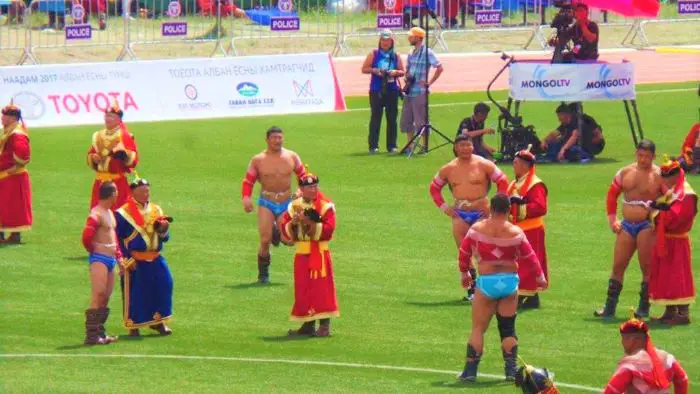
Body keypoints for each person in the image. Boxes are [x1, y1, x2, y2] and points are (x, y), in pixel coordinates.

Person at [457, 194, 547, 382]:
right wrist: (540, 278)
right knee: (508, 329)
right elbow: (530, 257)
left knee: (478, 329)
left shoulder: (477, 229)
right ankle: (510, 370)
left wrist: (464, 274)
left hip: (487, 282)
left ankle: (470, 372)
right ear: (507, 210)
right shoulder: (515, 232)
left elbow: (464, 252)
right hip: (509, 283)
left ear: (491, 208)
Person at [431, 135, 509, 301]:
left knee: (483, 250)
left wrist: (496, 205)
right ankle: (473, 289)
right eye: (462, 145)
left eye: (468, 145)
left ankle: (493, 286)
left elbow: (503, 181)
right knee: (464, 253)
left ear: (473, 146)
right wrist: (445, 208)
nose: (465, 148)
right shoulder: (449, 168)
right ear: (456, 148)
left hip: (481, 212)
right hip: (460, 213)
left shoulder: (483, 163)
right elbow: (434, 188)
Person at [595, 140, 665, 319]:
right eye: (640, 156)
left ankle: (644, 307)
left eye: (647, 157)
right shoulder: (625, 172)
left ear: (653, 157)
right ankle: (609, 308)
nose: (643, 160)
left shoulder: (659, 175)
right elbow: (612, 195)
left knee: (646, 267)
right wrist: (612, 219)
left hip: (647, 226)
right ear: (636, 154)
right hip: (626, 225)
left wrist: (657, 213)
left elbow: (669, 199)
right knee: (618, 265)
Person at [241, 126, 306, 284]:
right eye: (274, 138)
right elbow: (248, 180)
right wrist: (246, 198)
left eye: (280, 137)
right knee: (265, 240)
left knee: (290, 240)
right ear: (267, 140)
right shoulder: (258, 160)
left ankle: (278, 231)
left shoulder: (292, 156)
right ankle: (263, 275)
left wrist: (299, 191)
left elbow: (303, 176)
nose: (278, 140)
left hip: (287, 201)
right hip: (267, 202)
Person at [278, 169, 339, 337]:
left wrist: (310, 225)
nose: (313, 190)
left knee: (322, 290)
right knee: (303, 289)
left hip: (319, 253)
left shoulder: (325, 205)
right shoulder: (295, 205)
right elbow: (285, 226)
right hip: (301, 255)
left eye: (315, 186)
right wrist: (294, 223)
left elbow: (328, 230)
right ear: (302, 189)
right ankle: (308, 324)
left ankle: (324, 326)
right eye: (309, 187)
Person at [115, 178, 174, 337]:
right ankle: (134, 326)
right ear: (133, 192)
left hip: (155, 257)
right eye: (142, 191)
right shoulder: (122, 213)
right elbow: (116, 238)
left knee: (164, 285)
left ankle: (158, 322)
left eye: (147, 190)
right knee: (136, 293)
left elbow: (165, 237)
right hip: (135, 259)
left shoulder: (157, 210)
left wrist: (163, 231)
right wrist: (125, 259)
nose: (145, 194)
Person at [648, 156, 697, 325]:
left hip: (677, 241)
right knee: (667, 275)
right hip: (667, 239)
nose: (665, 181)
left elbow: (677, 217)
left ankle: (683, 313)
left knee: (679, 275)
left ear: (675, 176)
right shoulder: (675, 191)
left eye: (667, 178)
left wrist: (658, 212)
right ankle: (670, 311)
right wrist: (659, 207)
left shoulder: (687, 194)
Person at [507, 146, 548, 310]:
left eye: (515, 163)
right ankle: (530, 297)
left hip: (531, 230)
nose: (513, 166)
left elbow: (540, 207)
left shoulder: (535, 184)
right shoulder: (516, 182)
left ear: (524, 166)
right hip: (516, 228)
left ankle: (525, 294)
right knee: (519, 261)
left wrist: (520, 206)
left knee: (528, 262)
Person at [604, 315, 688, 394]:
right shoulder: (668, 358)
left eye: (624, 338)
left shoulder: (630, 366)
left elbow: (611, 391)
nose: (622, 342)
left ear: (633, 340)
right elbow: (682, 379)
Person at [81, 181, 120, 345]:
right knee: (98, 294)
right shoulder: (96, 213)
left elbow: (114, 238)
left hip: (110, 259)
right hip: (99, 258)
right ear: (111, 195)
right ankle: (91, 336)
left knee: (106, 296)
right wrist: (94, 249)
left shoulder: (109, 213)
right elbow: (86, 237)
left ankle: (100, 333)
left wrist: (119, 257)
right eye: (116, 192)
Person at [87, 101, 139, 210]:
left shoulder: (124, 136)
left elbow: (133, 159)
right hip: (100, 182)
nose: (107, 118)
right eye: (106, 116)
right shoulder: (98, 136)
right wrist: (93, 158)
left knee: (118, 212)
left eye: (111, 116)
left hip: (117, 182)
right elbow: (91, 153)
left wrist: (124, 155)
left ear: (118, 119)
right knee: (97, 213)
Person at [400, 27, 444, 154]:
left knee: (421, 121)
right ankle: (410, 145)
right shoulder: (411, 52)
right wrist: (407, 76)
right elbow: (408, 70)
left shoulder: (427, 52)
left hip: (420, 92)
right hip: (410, 91)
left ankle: (425, 146)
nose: (409, 38)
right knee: (407, 119)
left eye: (411, 36)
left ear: (418, 38)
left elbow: (439, 67)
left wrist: (429, 83)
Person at [361, 29, 405, 155]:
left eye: (388, 40)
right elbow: (364, 69)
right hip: (376, 90)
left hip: (392, 90)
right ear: (380, 41)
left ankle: (392, 146)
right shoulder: (374, 54)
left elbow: (402, 71)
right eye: (383, 40)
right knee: (375, 117)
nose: (385, 43)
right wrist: (375, 70)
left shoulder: (396, 55)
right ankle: (373, 146)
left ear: (392, 42)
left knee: (392, 118)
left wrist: (395, 72)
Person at [0, 101, 32, 245]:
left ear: (12, 118)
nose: (2, 118)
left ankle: (13, 235)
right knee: (7, 205)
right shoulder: (10, 131)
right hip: (7, 174)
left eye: (4, 115)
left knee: (10, 206)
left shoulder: (16, 133)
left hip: (12, 175)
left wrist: (16, 166)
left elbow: (23, 154)